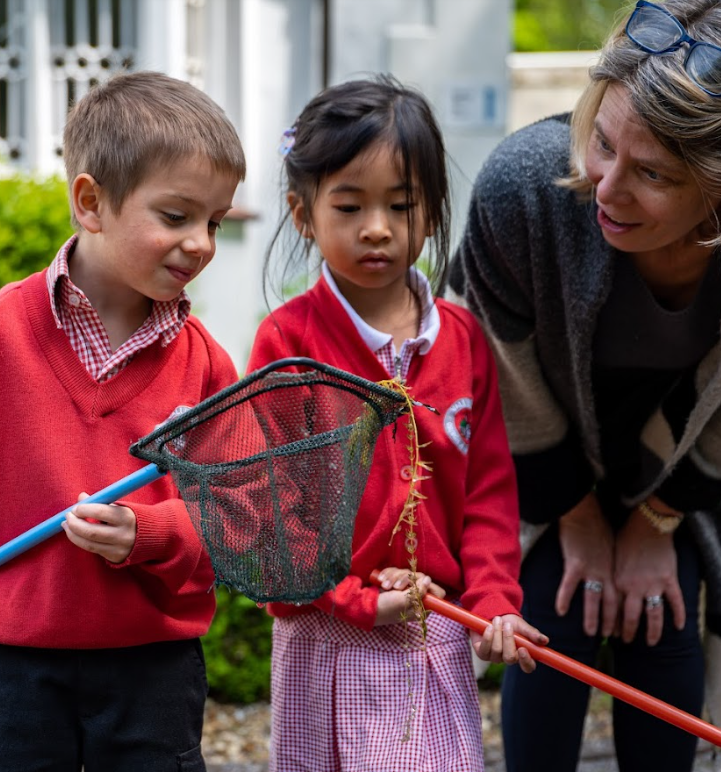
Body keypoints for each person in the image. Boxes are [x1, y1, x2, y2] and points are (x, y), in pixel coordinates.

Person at [0, 71, 246, 771]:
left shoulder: (209, 368)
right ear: (91, 203)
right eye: (178, 216)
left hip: (153, 668)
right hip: (11, 668)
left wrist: (152, 534)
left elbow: (239, 512)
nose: (203, 243)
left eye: (214, 221)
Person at [448, 1, 721, 770]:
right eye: (601, 142)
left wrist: (656, 522)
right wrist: (573, 515)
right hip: (536, 458)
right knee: (550, 612)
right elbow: (498, 370)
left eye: (651, 174)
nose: (605, 187)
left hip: (673, 475)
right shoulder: (526, 188)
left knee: (663, 614)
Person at [247, 74, 547, 772]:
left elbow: (490, 495)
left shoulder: (465, 338)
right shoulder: (285, 345)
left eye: (402, 204)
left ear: (434, 212)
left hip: (434, 630)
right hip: (324, 634)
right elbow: (273, 510)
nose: (377, 226)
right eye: (349, 205)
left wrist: (497, 599)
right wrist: (350, 599)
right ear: (302, 213)